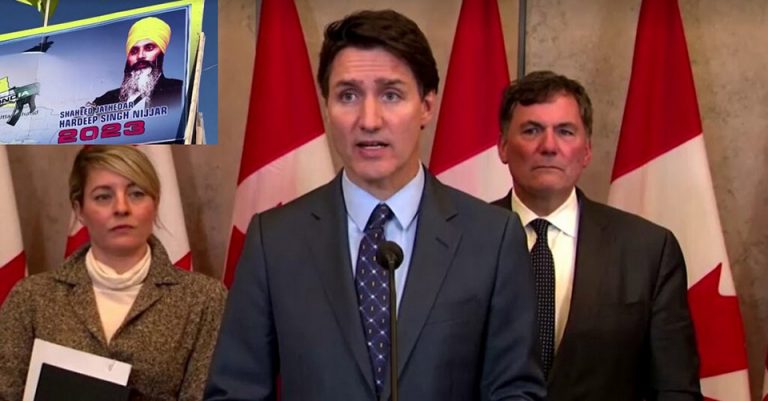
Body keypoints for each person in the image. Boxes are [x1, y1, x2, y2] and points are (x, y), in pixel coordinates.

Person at [205, 9, 545, 401]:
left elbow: (515, 390)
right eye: (348, 95)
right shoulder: (274, 240)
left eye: (391, 95)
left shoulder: (493, 237)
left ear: (427, 105)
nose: (369, 120)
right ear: (327, 106)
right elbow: (235, 391)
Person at [493, 70, 701, 400]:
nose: (549, 146)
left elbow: (674, 389)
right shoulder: (461, 241)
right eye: (531, 130)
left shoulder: (648, 250)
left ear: (587, 151)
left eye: (565, 131)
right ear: (503, 147)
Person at [0, 145, 226, 401]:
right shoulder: (32, 298)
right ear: (79, 210)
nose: (121, 208)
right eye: (103, 197)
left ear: (155, 204)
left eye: (136, 194)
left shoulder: (204, 299)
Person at [92, 17, 183, 109]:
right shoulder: (104, 101)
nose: (140, 56)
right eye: (134, 51)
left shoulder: (179, 90)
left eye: (149, 48)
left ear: (161, 53)